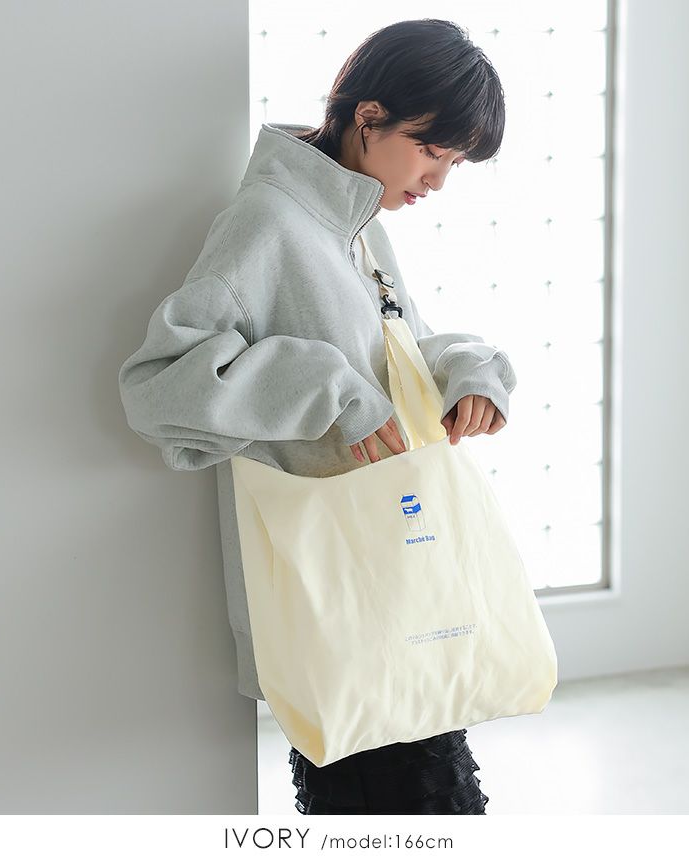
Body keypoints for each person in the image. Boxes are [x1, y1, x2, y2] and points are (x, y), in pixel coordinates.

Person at [118, 17, 515, 814]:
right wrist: (330, 392)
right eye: (432, 151)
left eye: (454, 163)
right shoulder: (267, 223)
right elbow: (159, 386)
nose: (438, 181)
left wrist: (473, 370)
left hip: (399, 580)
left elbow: (399, 349)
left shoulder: (356, 226)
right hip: (339, 596)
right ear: (368, 117)